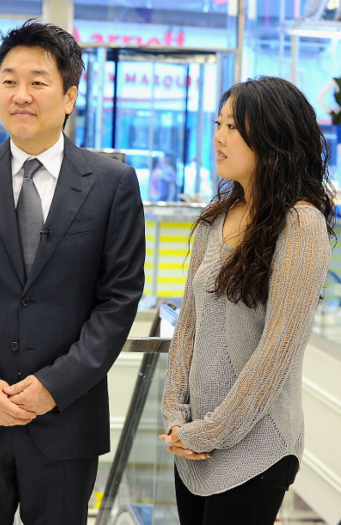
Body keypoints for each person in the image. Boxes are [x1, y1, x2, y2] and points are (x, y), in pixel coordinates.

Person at [0, 20, 145, 525]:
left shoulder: (112, 184)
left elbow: (119, 300)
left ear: (69, 96)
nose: (21, 95)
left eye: (38, 82)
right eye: (8, 80)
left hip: (67, 422)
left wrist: (54, 386)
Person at [160, 76, 335, 525]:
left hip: (256, 448)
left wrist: (210, 431)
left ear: (273, 135)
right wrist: (175, 414)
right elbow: (189, 327)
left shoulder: (301, 224)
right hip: (193, 446)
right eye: (218, 123)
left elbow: (276, 354)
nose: (218, 136)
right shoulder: (214, 221)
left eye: (233, 127)